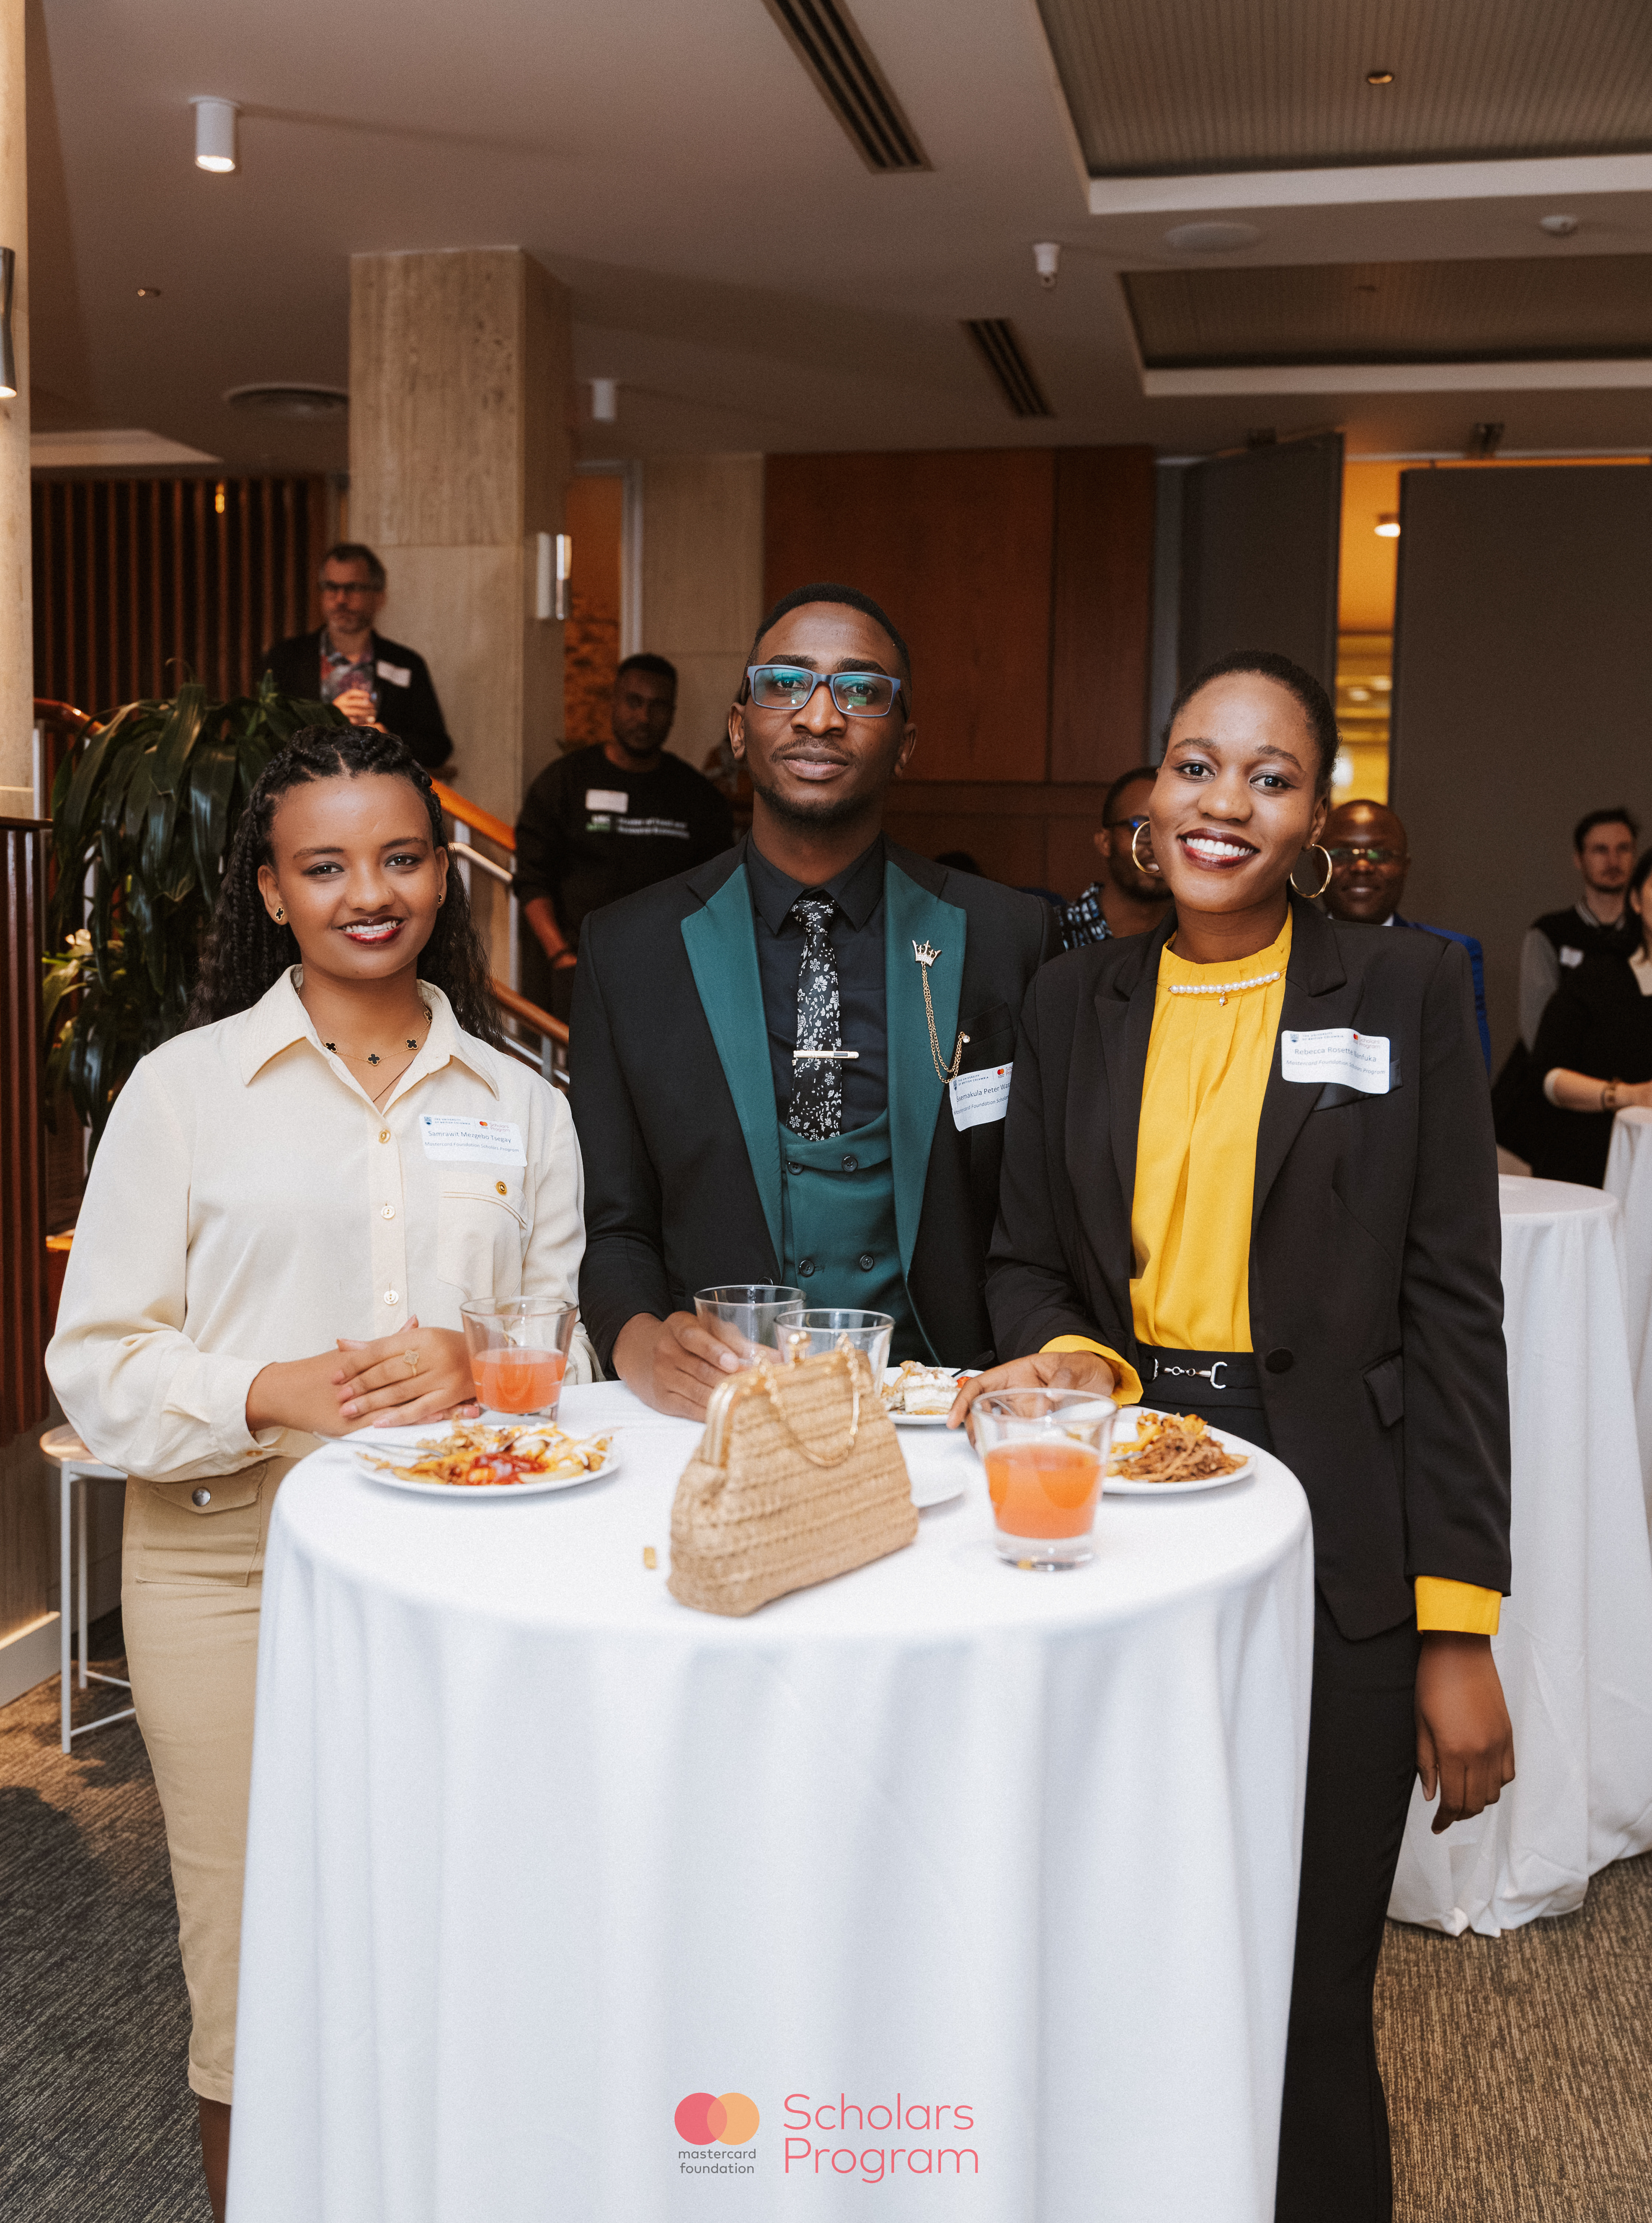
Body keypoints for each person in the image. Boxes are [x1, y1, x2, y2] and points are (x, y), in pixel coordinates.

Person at [951, 648, 1514, 2221]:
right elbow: (1026, 1256)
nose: (1223, 804)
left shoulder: (1401, 990)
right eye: (1196, 766)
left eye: (1270, 778)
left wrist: (1456, 1626)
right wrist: (1077, 1372)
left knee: (1308, 1984)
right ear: (1152, 792)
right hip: (1126, 1497)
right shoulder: (1072, 999)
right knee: (1111, 1951)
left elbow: (1454, 1313)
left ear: (1314, 816)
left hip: (1338, 1525)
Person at [46, 728, 589, 2222]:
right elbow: (97, 1358)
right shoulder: (185, 1089)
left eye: (402, 857)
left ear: (444, 875)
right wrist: (263, 1388)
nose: (370, 893)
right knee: (251, 1959)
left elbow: (569, 1355)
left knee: (462, 1933)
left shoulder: (525, 1104)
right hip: (230, 1565)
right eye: (327, 865)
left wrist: (486, 1362)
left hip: (469, 1568)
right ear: (271, 890)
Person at [571, 581, 1054, 1415]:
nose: (821, 716)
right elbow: (616, 1225)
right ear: (738, 727)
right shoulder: (629, 950)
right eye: (786, 684)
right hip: (723, 1409)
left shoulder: (1007, 935)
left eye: (861, 690)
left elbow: (1040, 1216)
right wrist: (640, 1341)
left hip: (948, 1402)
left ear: (905, 743)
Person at [513, 652, 734, 1020]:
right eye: (634, 702)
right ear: (613, 702)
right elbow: (532, 879)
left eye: (658, 706)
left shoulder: (697, 797)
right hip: (581, 970)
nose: (644, 717)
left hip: (668, 979)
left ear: (672, 713)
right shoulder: (565, 782)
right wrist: (560, 956)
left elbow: (718, 892)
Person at [1321, 797, 1491, 1069]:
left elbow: (1467, 1074)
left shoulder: (1447, 955)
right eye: (1342, 853)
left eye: (1379, 854)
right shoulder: (1287, 949)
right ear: (1318, 863)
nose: (1362, 866)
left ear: (1405, 867)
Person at [262, 542, 453, 772]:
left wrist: (389, 739)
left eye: (353, 588)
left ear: (379, 597)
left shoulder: (406, 664)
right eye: (332, 587)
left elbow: (438, 748)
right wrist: (326, 720)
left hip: (380, 789)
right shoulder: (286, 659)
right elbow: (262, 740)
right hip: (306, 787)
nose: (341, 599)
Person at [1527, 847, 1652, 1187]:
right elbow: (1548, 1078)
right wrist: (1627, 1096)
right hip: (1598, 1160)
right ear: (1636, 901)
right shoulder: (1595, 978)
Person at [1517, 807, 1639, 1051]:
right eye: (1600, 850)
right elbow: (1536, 1026)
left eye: (1623, 849)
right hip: (1564, 1068)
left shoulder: (1646, 932)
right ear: (1579, 859)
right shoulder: (1549, 933)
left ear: (1635, 856)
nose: (1613, 861)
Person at [1056, 762, 1176, 949]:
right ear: (1105, 842)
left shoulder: (1207, 940)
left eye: (1174, 828)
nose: (1158, 846)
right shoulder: (1054, 933)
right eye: (1141, 827)